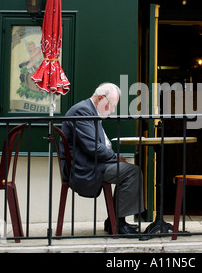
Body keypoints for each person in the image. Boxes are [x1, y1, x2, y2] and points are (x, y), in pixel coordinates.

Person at [60, 82, 144, 234]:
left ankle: (114, 221)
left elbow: (97, 146)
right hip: (84, 167)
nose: (111, 110)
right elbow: (93, 148)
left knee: (128, 170)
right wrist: (113, 157)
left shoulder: (90, 110)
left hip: (91, 162)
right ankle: (118, 224)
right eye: (110, 105)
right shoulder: (82, 111)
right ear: (100, 98)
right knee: (132, 172)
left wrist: (114, 157)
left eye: (114, 107)